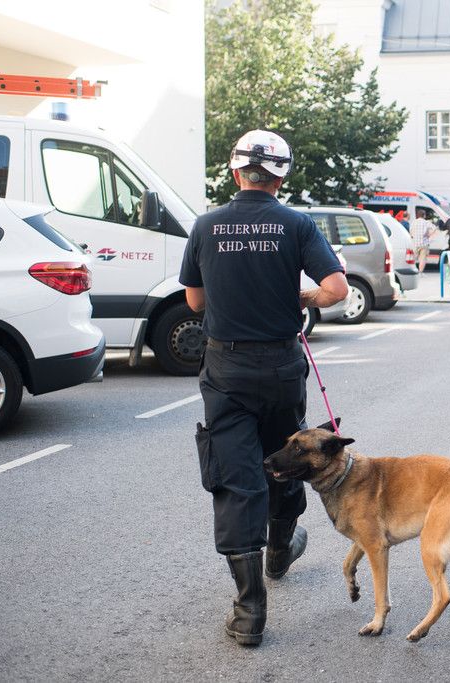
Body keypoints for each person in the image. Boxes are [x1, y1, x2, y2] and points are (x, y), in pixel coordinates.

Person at [179, 130, 349, 646]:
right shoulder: (296, 224)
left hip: (226, 368)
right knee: (287, 457)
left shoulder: (206, 225)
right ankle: (279, 552)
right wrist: (303, 297)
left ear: (235, 172)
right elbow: (336, 290)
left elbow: (194, 302)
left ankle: (250, 611)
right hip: (280, 365)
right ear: (280, 176)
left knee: (236, 476)